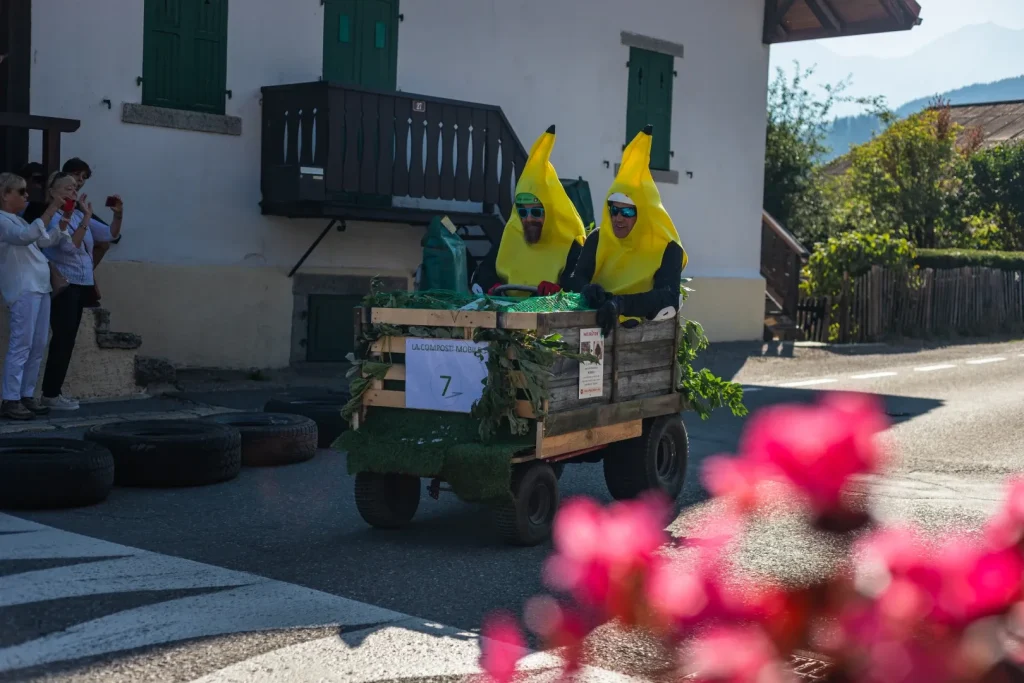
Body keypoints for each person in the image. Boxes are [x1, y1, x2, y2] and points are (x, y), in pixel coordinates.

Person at [566, 125, 688, 336]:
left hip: (640, 341)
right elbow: (576, 278)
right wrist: (586, 289)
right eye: (613, 210)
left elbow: (667, 297)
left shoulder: (668, 248)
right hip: (592, 332)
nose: (618, 218)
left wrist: (621, 304)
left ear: (643, 213)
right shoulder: (597, 238)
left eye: (627, 212)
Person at [471, 125, 586, 298]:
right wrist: (491, 285)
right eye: (522, 213)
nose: (529, 219)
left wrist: (561, 290)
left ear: (551, 212)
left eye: (536, 212)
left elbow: (579, 285)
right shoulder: (509, 238)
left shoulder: (570, 246)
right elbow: (483, 275)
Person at [38, 172, 118, 411]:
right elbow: (70, 248)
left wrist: (117, 214)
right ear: (53, 192)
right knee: (62, 339)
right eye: (68, 189)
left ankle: (53, 392)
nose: (73, 192)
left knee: (68, 339)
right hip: (65, 284)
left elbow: (110, 235)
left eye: (75, 188)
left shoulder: (76, 216)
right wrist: (85, 219)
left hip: (80, 284)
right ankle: (50, 394)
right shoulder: (54, 219)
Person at [0, 173, 73, 420]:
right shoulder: (2, 221)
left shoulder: (19, 221)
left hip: (40, 288)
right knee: (21, 344)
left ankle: (26, 394)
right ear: (4, 195)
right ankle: (10, 399)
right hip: (24, 289)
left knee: (37, 345)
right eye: (21, 191)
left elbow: (42, 241)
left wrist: (63, 221)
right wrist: (52, 208)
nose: (26, 195)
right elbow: (26, 238)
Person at [62, 157, 123, 305]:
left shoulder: (79, 212)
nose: (80, 181)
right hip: (61, 277)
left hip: (78, 280)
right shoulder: (51, 210)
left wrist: (118, 214)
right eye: (77, 174)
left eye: (84, 177)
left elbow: (109, 234)